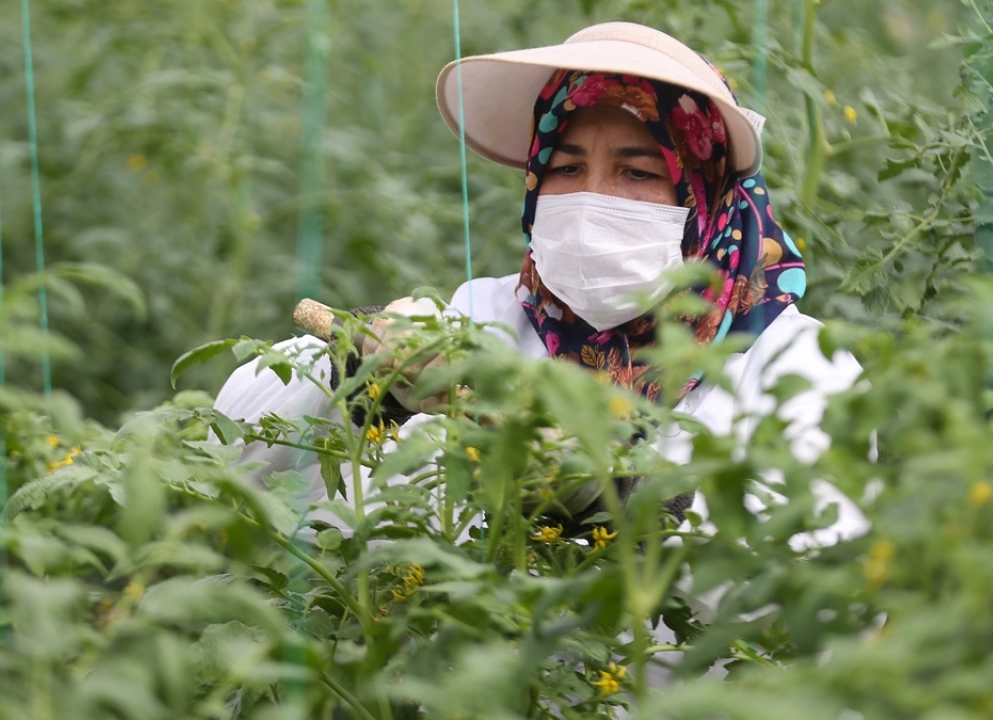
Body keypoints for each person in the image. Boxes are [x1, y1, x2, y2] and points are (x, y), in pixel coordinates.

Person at [214, 21, 865, 542]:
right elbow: (230, 451)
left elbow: (821, 575)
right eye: (566, 167)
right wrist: (345, 373)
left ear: (703, 199)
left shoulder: (792, 363)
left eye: (637, 173)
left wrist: (632, 504)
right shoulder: (484, 319)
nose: (590, 199)